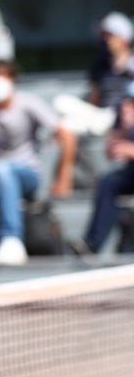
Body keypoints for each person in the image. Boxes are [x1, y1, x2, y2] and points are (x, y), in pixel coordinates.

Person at [0, 59, 76, 267]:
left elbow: (66, 136)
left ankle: (12, 239)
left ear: (13, 81)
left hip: (26, 174)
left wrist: (63, 177)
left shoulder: (29, 103)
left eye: (3, 77)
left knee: (4, 170)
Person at [70, 82, 134, 257]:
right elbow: (111, 152)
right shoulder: (124, 117)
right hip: (130, 174)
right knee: (108, 182)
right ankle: (92, 244)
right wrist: (124, 128)